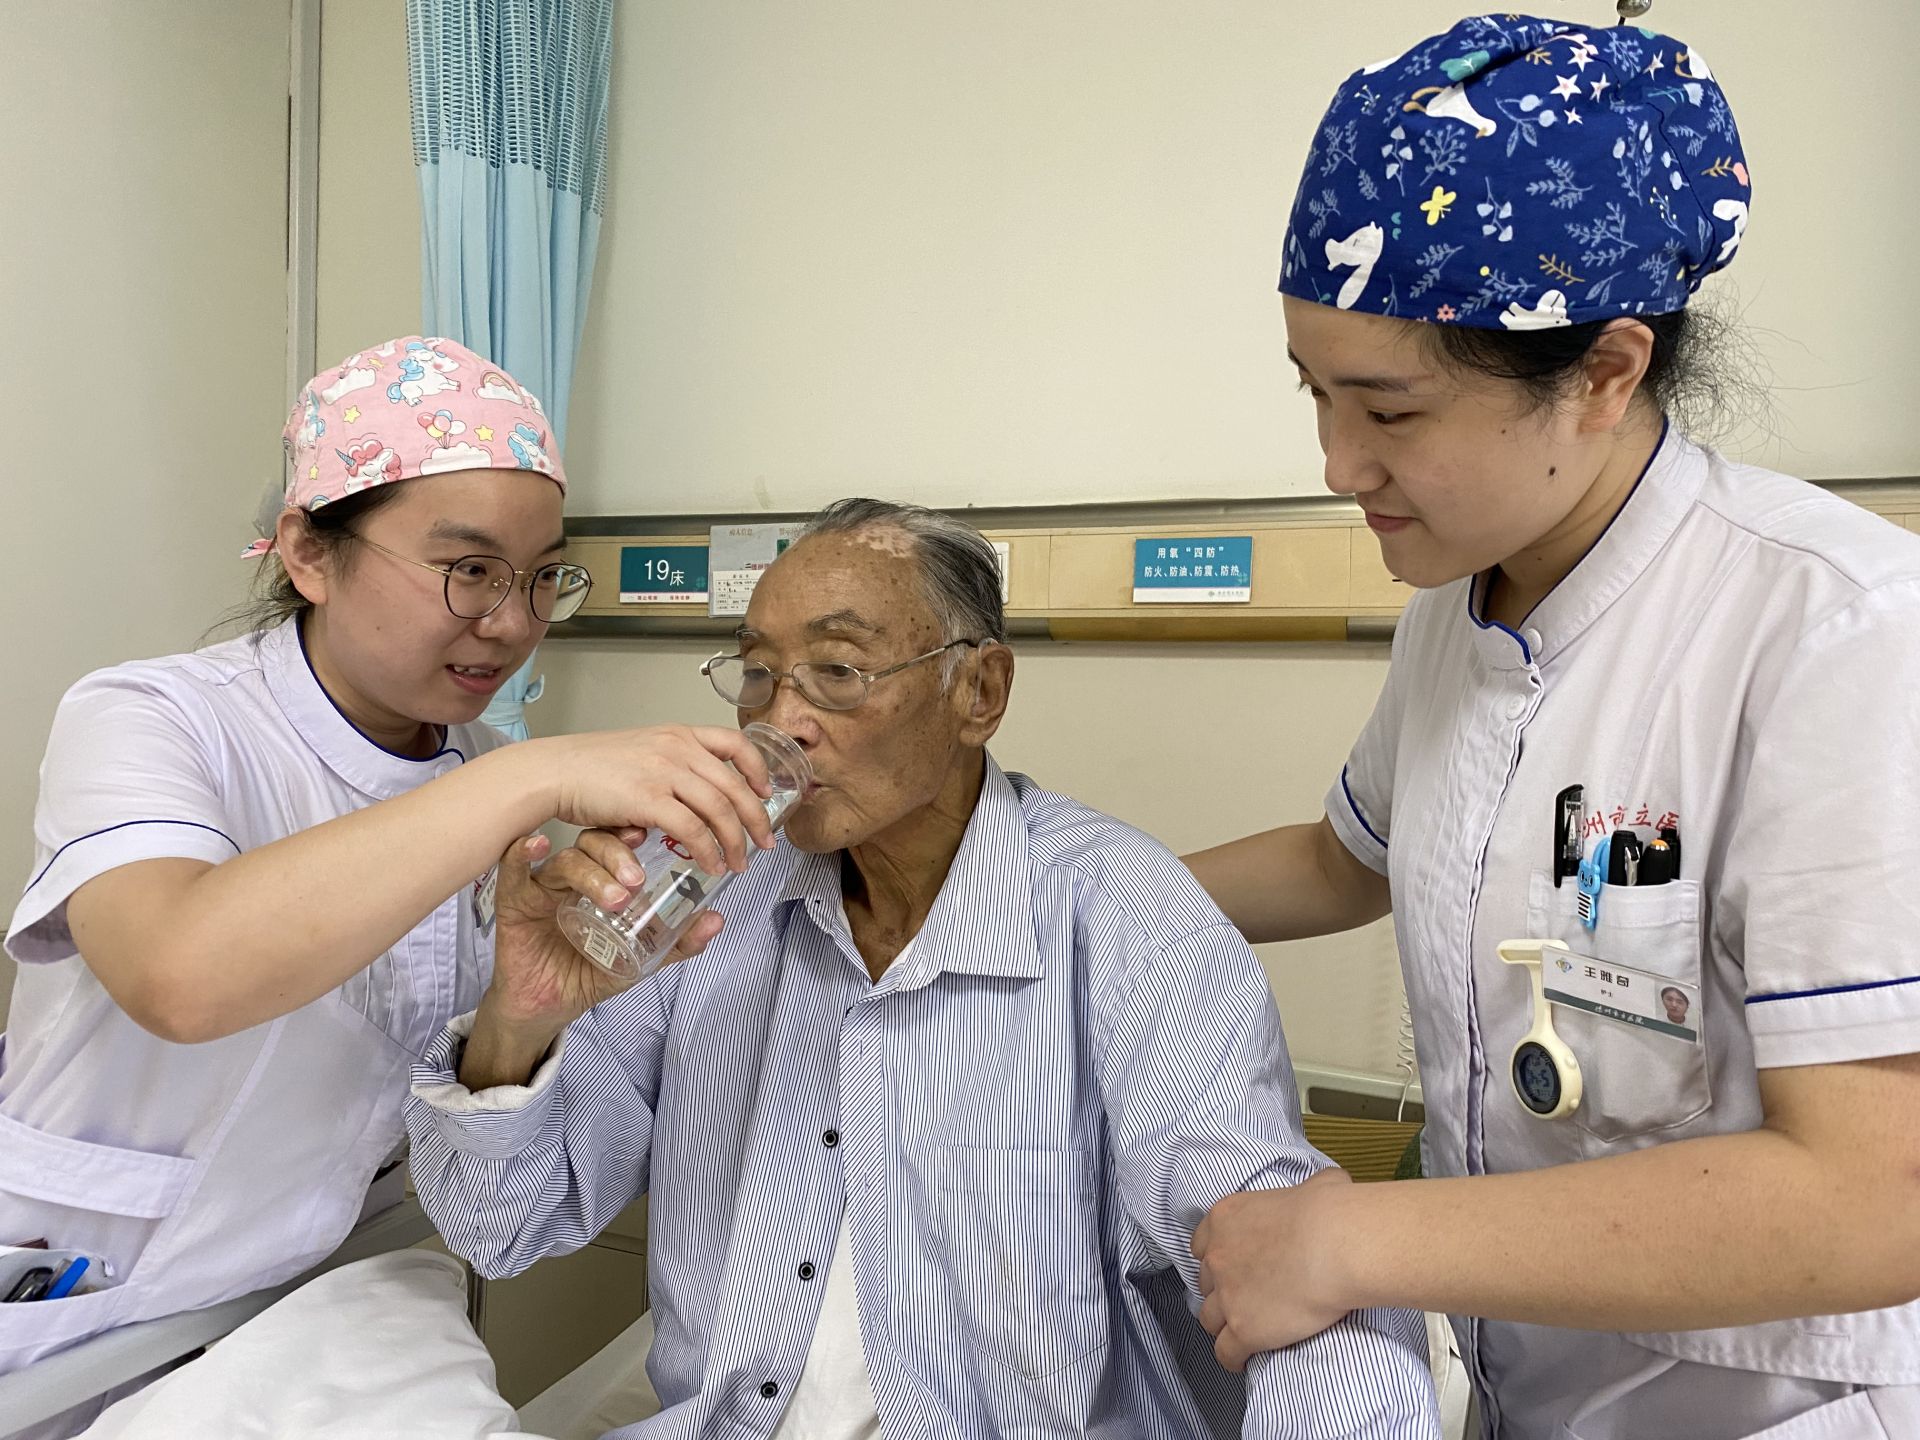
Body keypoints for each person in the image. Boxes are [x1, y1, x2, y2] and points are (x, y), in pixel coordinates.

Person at [1184, 15, 1920, 1439]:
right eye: (1315, 393)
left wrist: (1355, 1242)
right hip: (1537, 1390)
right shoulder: (1461, 600)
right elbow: (1349, 861)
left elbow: (1873, 1191)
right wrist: (1056, 885)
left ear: (1602, 375)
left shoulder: (1839, 635)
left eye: (1387, 408)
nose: (1337, 466)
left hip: (1774, 1405)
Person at [406, 499, 1440, 1439]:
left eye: (839, 673)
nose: (783, 719)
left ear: (978, 691)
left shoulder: (1127, 920)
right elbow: (501, 1225)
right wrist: (524, 1017)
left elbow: (1289, 1269)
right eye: (758, 673)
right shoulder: (712, 904)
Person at [0, 337, 775, 1434]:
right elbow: (178, 974)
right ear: (310, 554)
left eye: (541, 574)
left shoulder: (478, 777)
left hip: (323, 1305)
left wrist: (517, 1017)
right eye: (469, 571)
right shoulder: (154, 718)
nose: (512, 622)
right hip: (83, 1309)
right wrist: (527, 773)